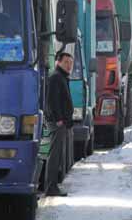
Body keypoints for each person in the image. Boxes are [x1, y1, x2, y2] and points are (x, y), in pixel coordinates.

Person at [45, 52, 74, 197]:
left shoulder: (62, 77)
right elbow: (52, 101)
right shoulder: (56, 77)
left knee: (58, 154)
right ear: (58, 62)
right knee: (55, 155)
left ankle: (54, 185)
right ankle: (51, 187)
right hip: (58, 123)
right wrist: (59, 119)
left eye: (71, 63)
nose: (69, 65)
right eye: (66, 62)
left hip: (62, 122)